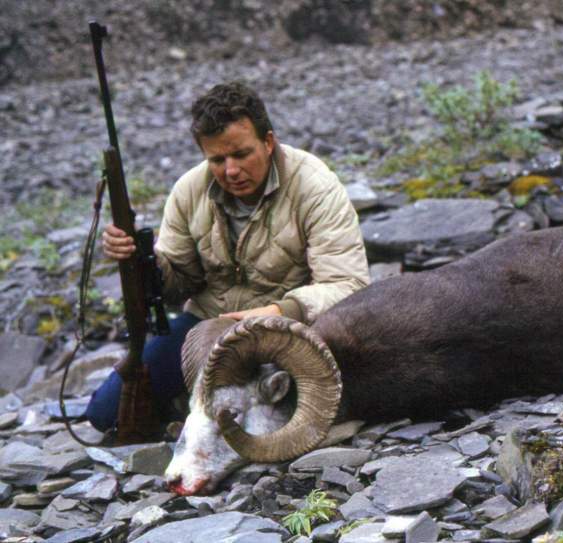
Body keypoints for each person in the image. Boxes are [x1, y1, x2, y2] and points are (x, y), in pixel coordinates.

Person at [85, 81, 370, 431]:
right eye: (217, 159)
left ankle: (196, 404)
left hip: (288, 332)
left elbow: (349, 284)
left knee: (291, 419)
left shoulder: (315, 186)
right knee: (105, 416)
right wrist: (140, 261)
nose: (230, 171)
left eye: (241, 154)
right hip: (206, 328)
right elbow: (177, 285)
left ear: (268, 142)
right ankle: (189, 404)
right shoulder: (189, 190)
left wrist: (280, 311)